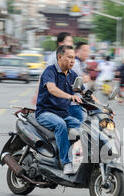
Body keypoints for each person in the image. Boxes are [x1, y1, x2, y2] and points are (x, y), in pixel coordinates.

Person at [35, 45, 83, 175]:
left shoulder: (72, 75)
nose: (72, 61)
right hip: (45, 112)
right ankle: (66, 162)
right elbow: (52, 89)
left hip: (63, 114)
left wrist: (103, 107)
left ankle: (79, 158)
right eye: (69, 57)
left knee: (85, 128)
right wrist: (70, 96)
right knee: (60, 125)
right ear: (60, 57)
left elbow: (86, 92)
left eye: (74, 58)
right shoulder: (50, 71)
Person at [70, 42, 91, 122]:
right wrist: (84, 78)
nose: (87, 53)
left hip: (78, 102)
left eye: (88, 51)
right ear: (77, 51)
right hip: (73, 103)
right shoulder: (75, 63)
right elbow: (80, 80)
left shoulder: (81, 63)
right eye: (85, 51)